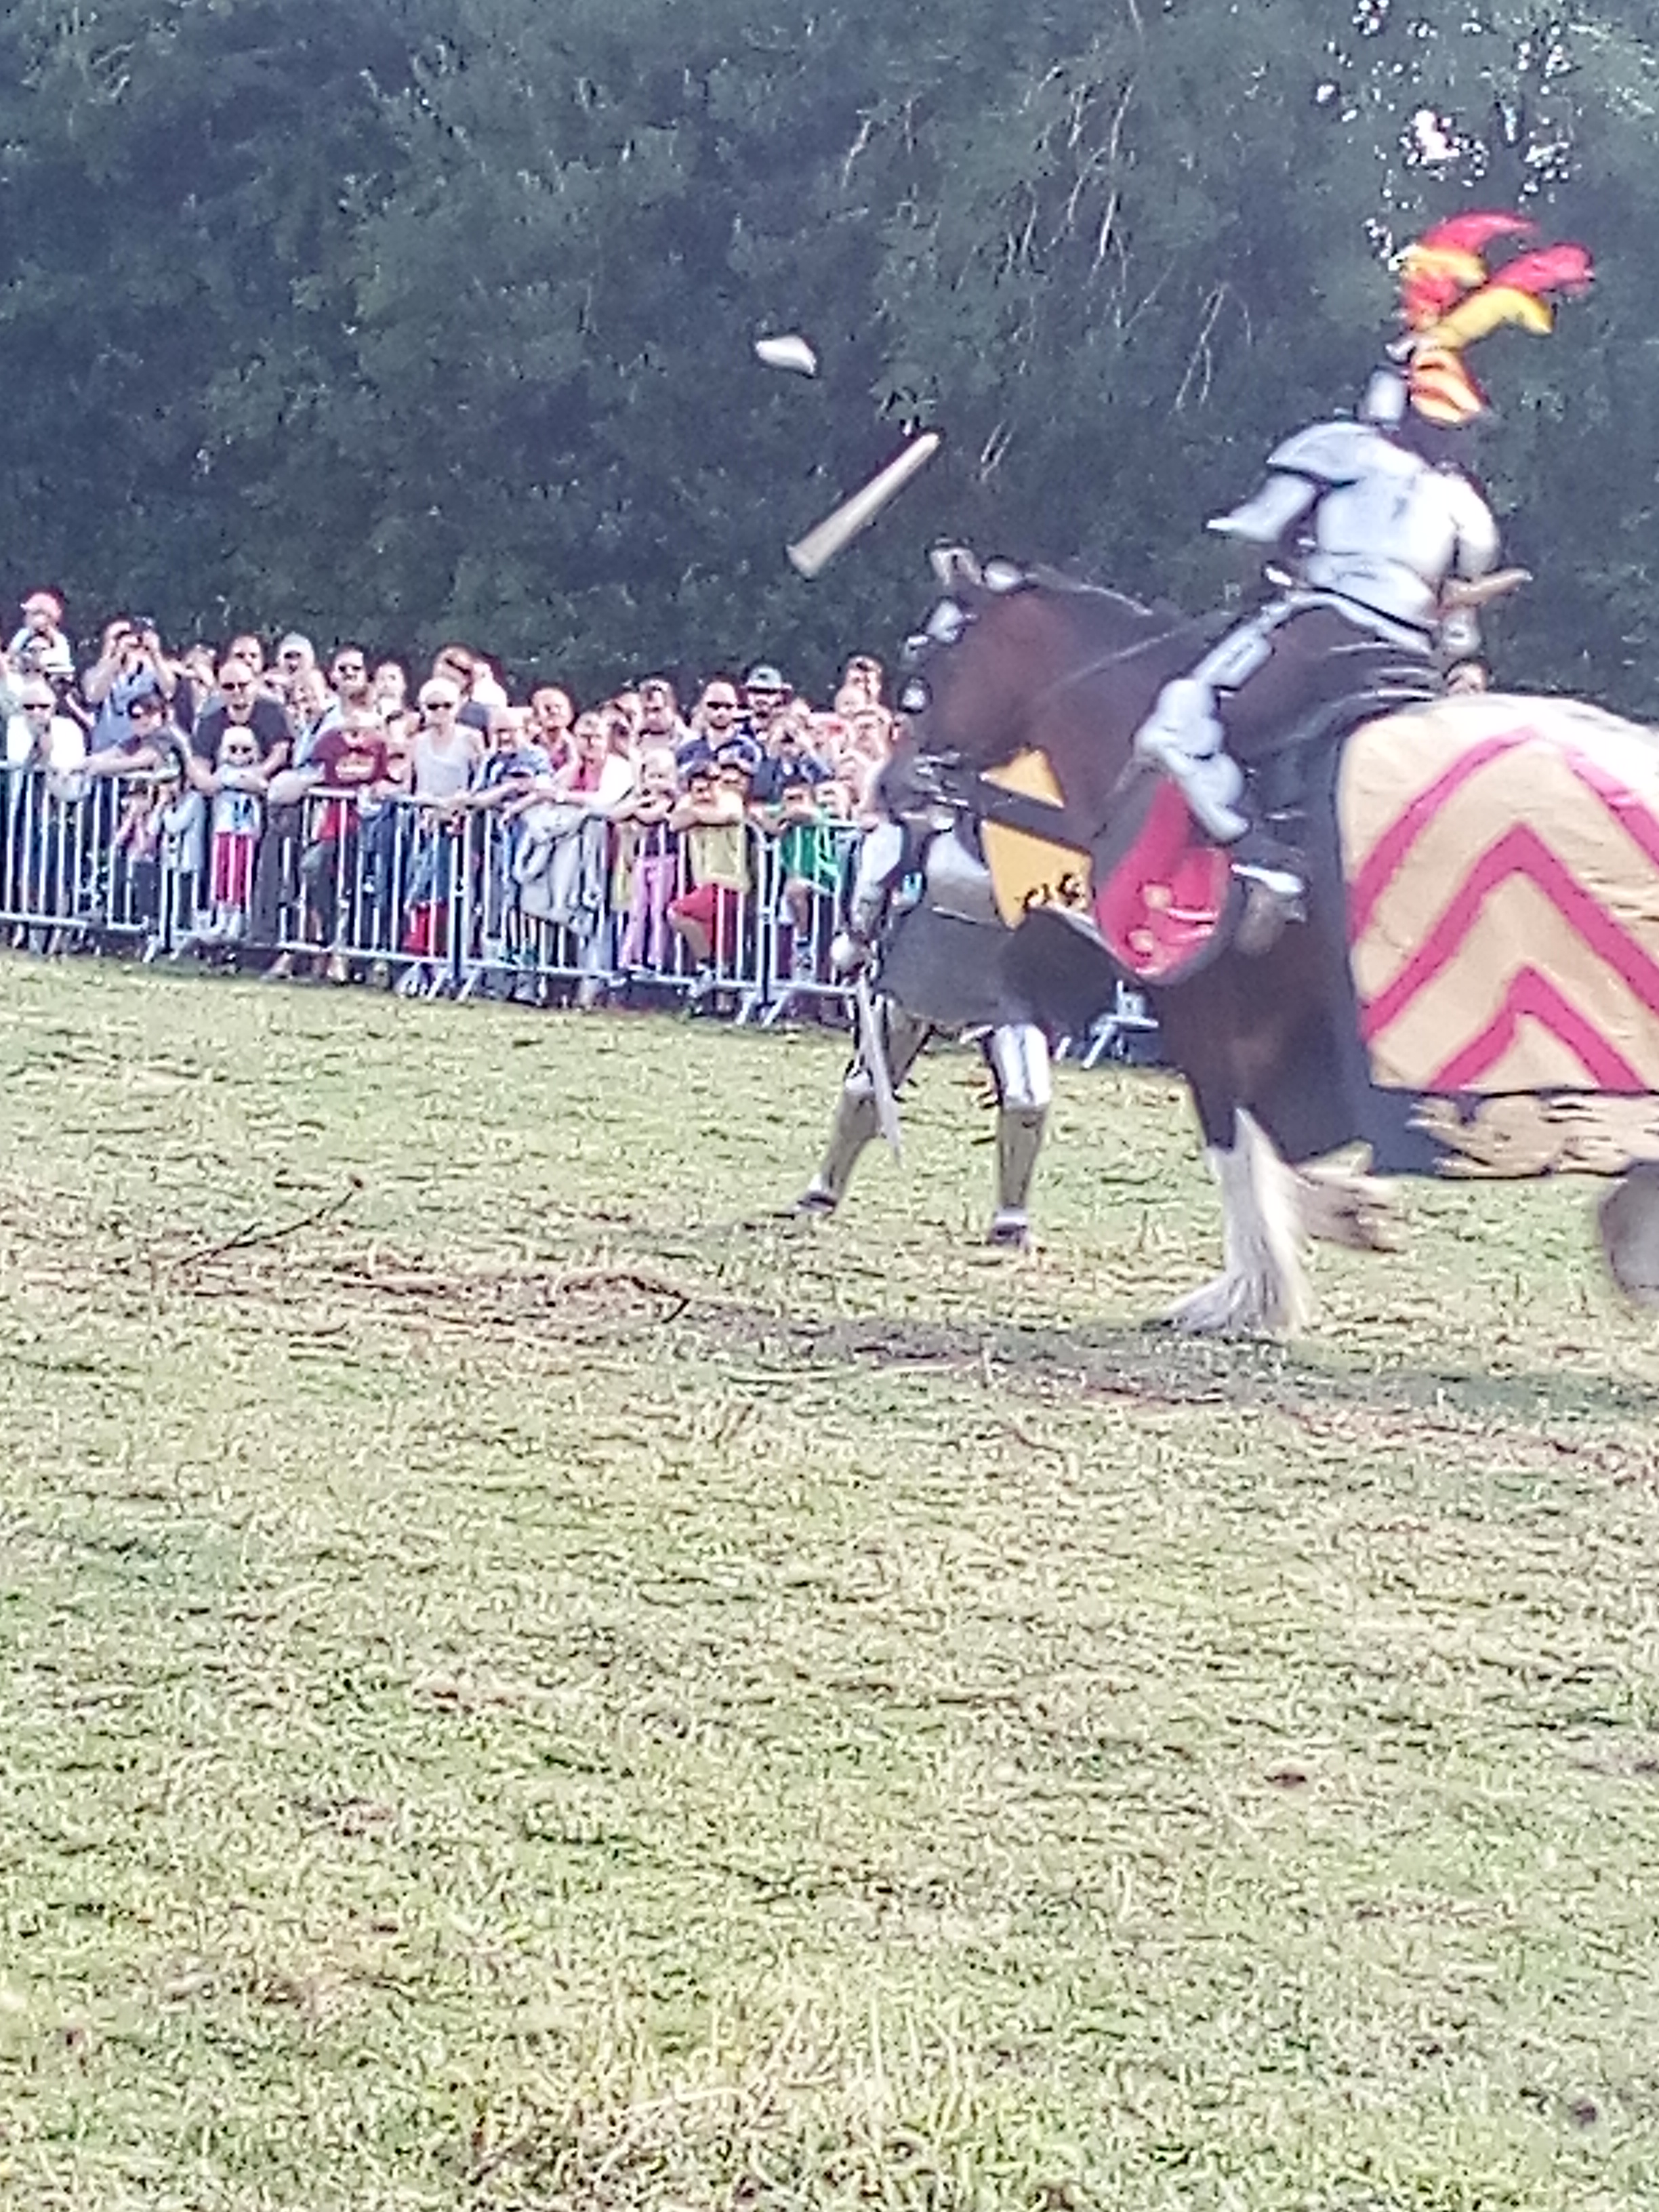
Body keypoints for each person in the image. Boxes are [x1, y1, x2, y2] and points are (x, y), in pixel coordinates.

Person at [1130, 213, 1593, 937]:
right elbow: (1458, 631)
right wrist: (1459, 667)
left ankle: (1263, 858)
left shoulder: (1338, 449)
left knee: (1178, 720)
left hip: (1321, 629)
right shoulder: (1469, 511)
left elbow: (1254, 534)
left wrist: (1268, 578)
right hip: (1410, 664)